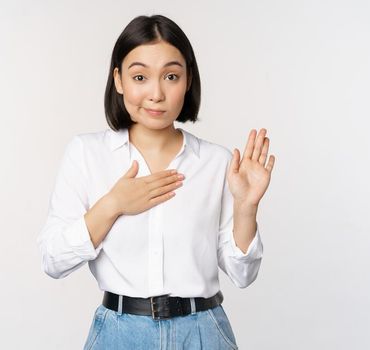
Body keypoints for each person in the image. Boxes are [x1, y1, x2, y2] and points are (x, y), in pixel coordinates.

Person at [36, 14, 276, 349]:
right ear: (118, 79)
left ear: (188, 80)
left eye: (171, 76)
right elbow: (53, 260)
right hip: (119, 334)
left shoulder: (218, 163)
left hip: (203, 332)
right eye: (139, 76)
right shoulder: (86, 154)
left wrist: (246, 208)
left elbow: (243, 275)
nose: (156, 93)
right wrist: (113, 204)